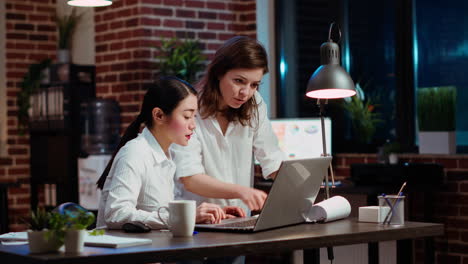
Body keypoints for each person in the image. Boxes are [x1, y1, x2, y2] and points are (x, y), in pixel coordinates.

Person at [95, 76, 244, 229]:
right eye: (187, 116)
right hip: (127, 251)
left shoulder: (166, 155)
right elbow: (116, 214)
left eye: (194, 117)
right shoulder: (135, 153)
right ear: (159, 115)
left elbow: (158, 211)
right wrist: (184, 217)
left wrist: (207, 214)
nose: (193, 125)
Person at [171, 36, 285, 215]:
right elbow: (190, 178)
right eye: (239, 81)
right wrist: (241, 191)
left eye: (254, 84)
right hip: (199, 223)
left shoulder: (255, 104)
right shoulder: (189, 108)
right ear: (219, 73)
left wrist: (301, 183)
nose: (245, 92)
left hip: (240, 220)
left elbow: (272, 159)